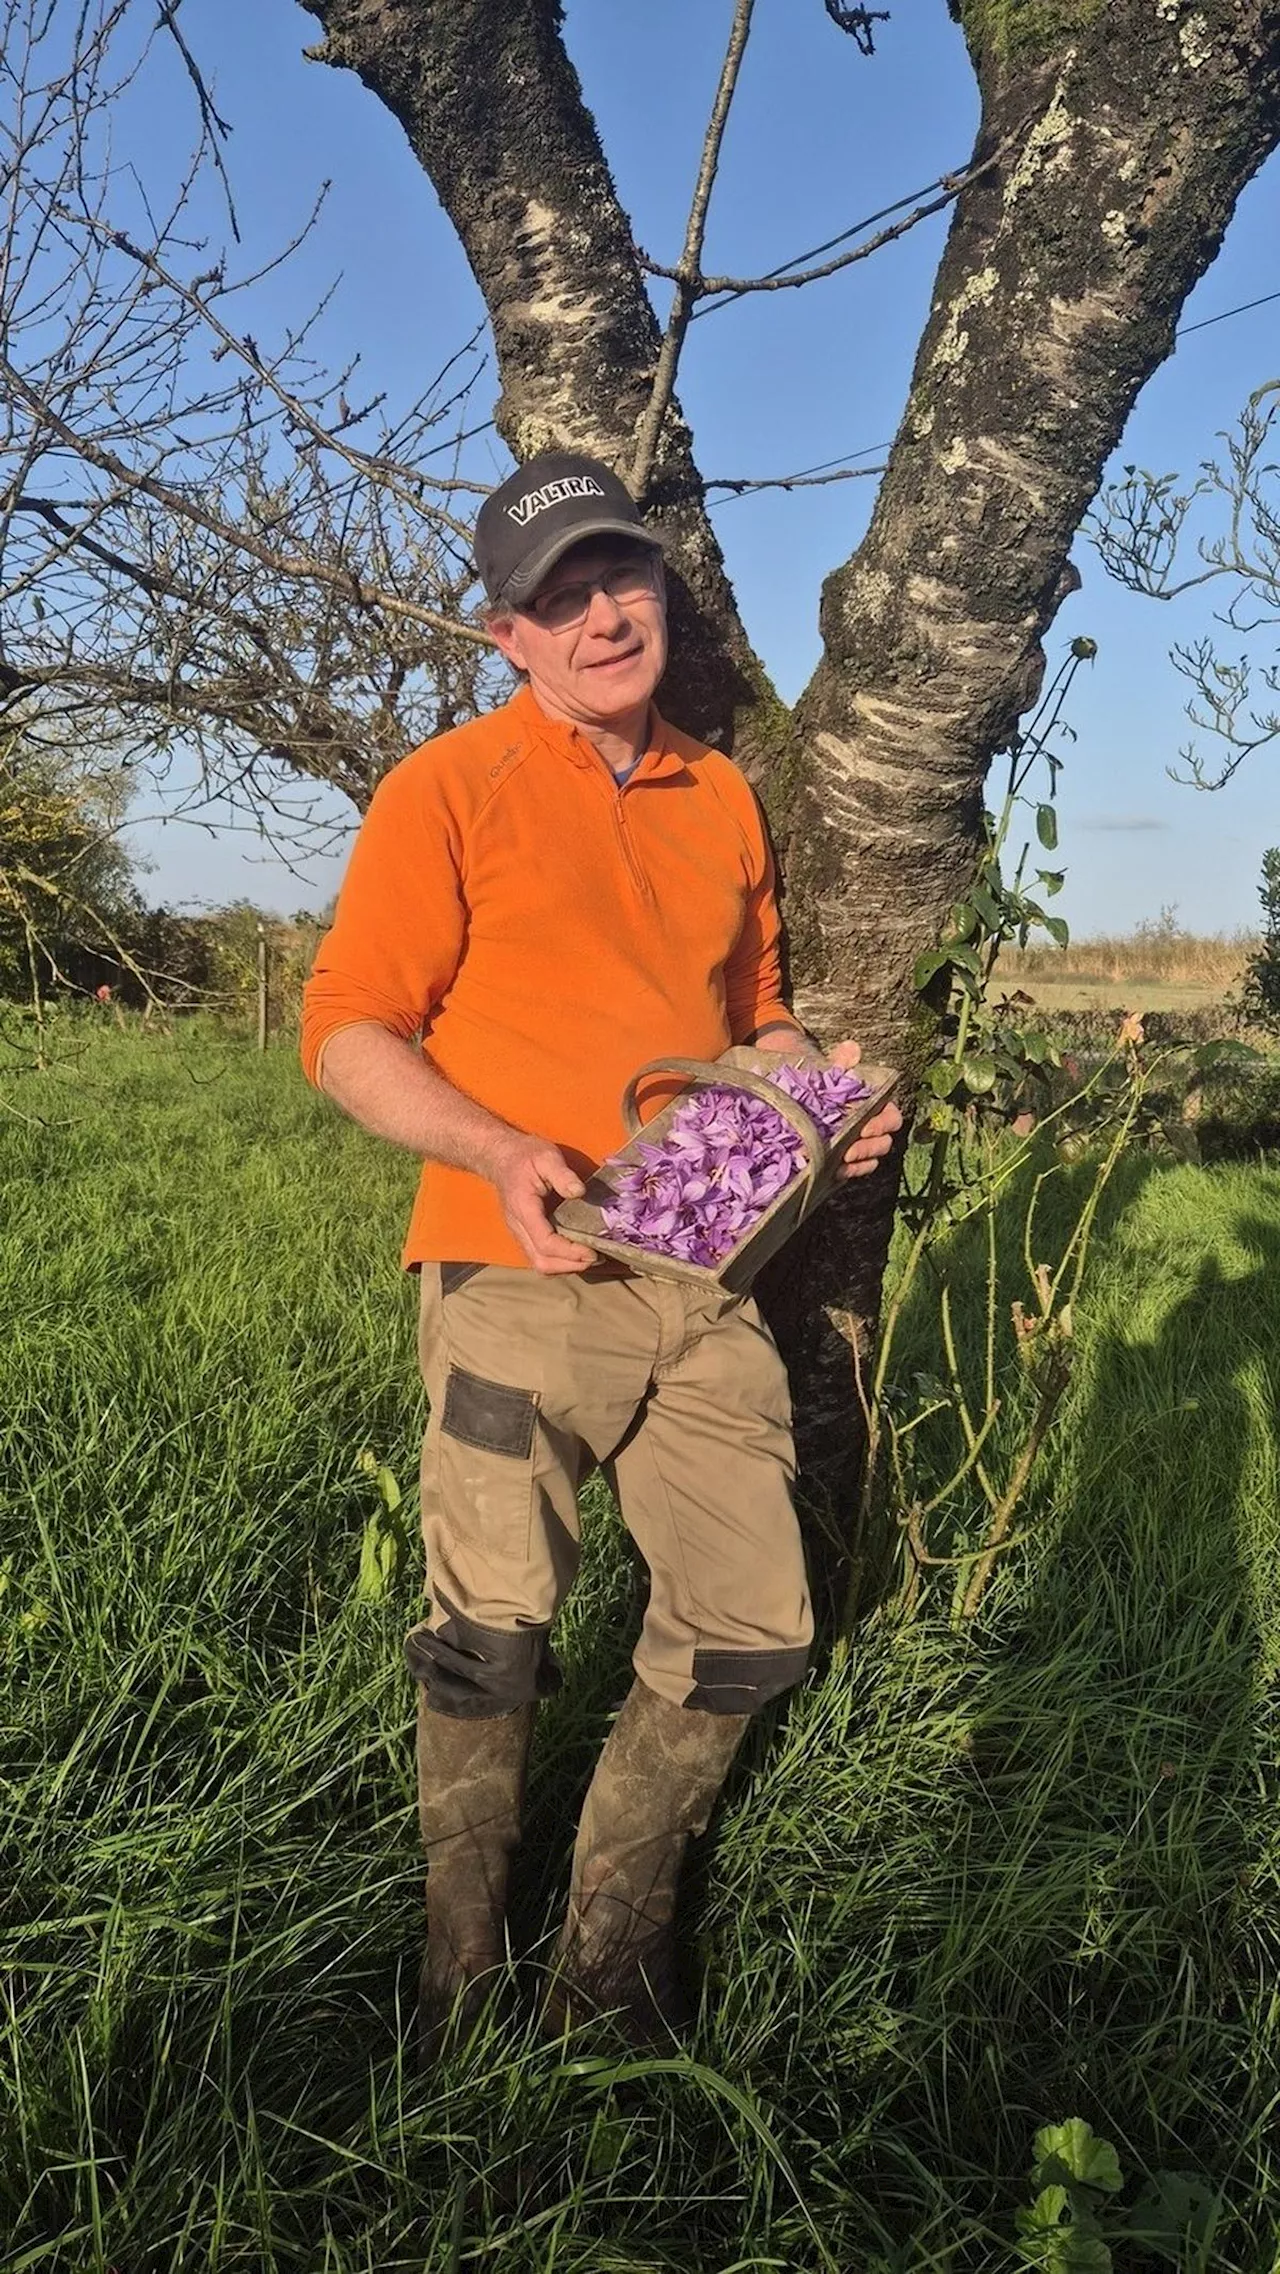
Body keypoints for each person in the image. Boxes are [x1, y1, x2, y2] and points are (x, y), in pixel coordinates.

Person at [300, 450, 903, 2051]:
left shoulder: (723, 795)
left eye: (619, 577)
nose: (600, 616)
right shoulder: (449, 788)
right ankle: (458, 1970)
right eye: (558, 597)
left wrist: (816, 1105)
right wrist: (497, 1149)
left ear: (658, 589)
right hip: (520, 1261)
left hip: (704, 1270)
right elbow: (345, 1026)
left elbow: (754, 1015)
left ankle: (607, 1969)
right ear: (509, 634)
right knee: (493, 1629)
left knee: (751, 1620)